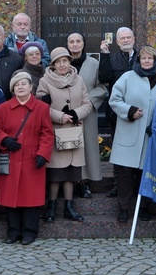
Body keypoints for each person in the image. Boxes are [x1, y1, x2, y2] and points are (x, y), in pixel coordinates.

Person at [108, 46, 156, 223]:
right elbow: (115, 99)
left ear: (155, 60)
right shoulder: (127, 77)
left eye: (150, 58)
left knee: (147, 173)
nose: (147, 61)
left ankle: (143, 208)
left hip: (151, 134)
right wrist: (130, 111)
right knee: (125, 174)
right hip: (128, 133)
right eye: (144, 58)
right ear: (138, 60)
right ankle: (124, 208)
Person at [0, 72, 54, 245]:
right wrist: (4, 139)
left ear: (31, 87)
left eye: (23, 84)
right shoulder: (4, 108)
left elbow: (47, 133)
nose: (20, 87)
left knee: (31, 198)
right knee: (10, 198)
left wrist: (43, 153)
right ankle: (13, 232)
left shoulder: (42, 108)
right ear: (12, 89)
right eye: (16, 84)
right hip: (11, 158)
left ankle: (29, 232)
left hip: (32, 160)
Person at [37, 47, 94, 223]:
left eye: (65, 61)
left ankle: (69, 207)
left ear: (70, 62)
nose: (62, 64)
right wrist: (59, 116)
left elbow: (87, 103)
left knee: (71, 172)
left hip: (74, 130)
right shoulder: (44, 81)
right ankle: (52, 206)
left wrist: (76, 113)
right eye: (59, 61)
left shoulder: (79, 80)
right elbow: (41, 105)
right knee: (56, 172)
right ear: (53, 64)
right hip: (55, 131)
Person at [67, 32, 108, 197]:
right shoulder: (62, 63)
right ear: (67, 45)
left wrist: (87, 102)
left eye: (78, 41)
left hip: (87, 113)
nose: (75, 44)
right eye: (71, 41)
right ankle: (70, 181)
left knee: (86, 148)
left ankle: (84, 183)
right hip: (67, 114)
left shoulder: (93, 63)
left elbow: (101, 87)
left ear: (83, 44)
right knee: (69, 149)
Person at [99, 27, 138, 199]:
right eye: (122, 38)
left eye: (128, 37)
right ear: (116, 41)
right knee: (118, 151)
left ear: (134, 39)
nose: (126, 40)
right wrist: (104, 55)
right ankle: (118, 184)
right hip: (118, 114)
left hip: (139, 112)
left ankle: (136, 185)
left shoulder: (143, 58)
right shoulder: (112, 58)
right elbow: (104, 77)